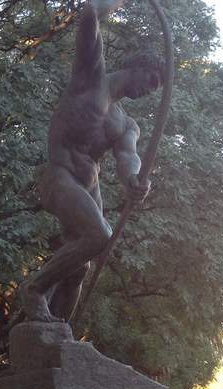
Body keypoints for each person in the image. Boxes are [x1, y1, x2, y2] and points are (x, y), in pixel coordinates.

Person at [20, 0, 165, 323]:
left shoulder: (127, 123)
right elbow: (89, 14)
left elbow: (128, 156)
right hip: (61, 177)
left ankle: (57, 340)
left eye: (156, 89)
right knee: (99, 236)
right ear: (137, 67)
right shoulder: (90, 76)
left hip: (91, 189)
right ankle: (34, 288)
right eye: (151, 81)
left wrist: (134, 180)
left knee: (78, 269)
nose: (149, 91)